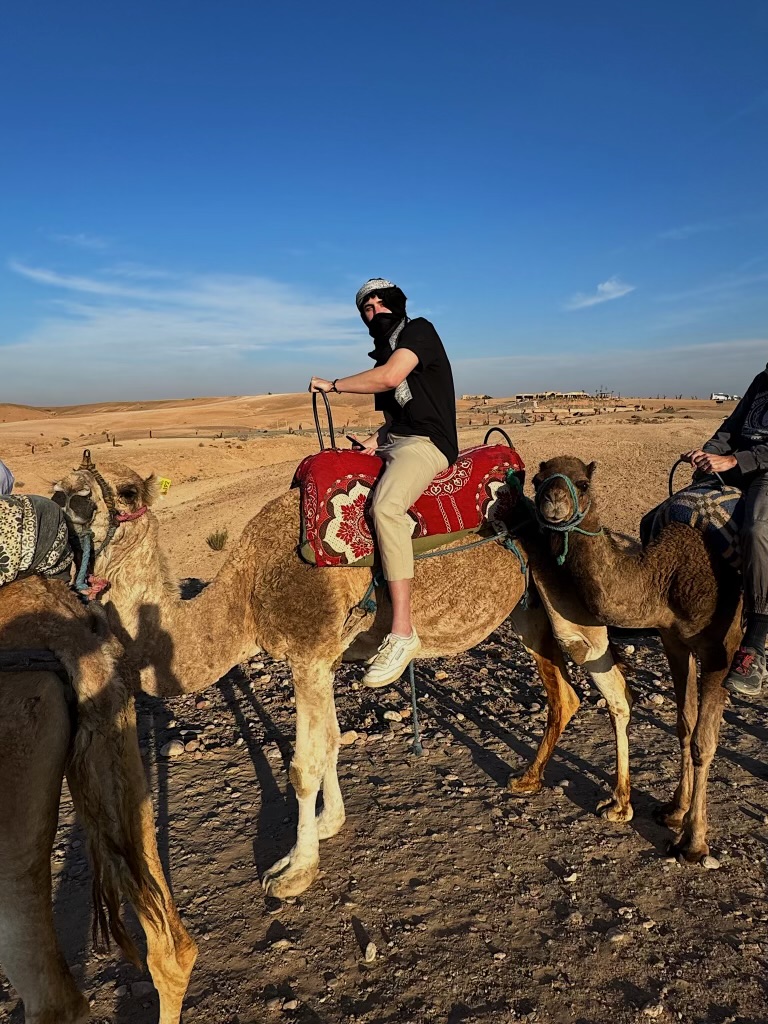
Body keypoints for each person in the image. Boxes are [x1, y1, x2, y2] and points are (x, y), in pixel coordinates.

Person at [309, 278, 458, 688]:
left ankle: (403, 632)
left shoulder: (418, 331)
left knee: (385, 508)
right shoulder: (384, 349)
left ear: (398, 304)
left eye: (381, 304)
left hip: (428, 443)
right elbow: (397, 415)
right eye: (368, 309)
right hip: (396, 440)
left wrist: (334, 385)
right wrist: (374, 442)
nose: (376, 311)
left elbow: (392, 379)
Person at [682, 362, 768, 696]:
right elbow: (731, 428)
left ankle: (756, 639)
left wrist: (735, 462)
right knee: (665, 514)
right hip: (738, 464)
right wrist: (708, 453)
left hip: (762, 471)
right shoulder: (762, 380)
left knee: (758, 530)